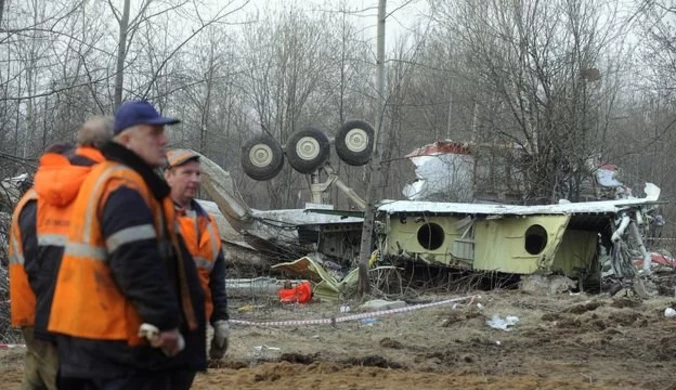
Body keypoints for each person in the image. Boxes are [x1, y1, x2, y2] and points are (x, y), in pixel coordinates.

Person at [47, 100, 207, 389]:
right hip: (116, 347)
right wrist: (166, 323)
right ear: (127, 139)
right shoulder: (124, 187)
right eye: (154, 133)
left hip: (96, 341)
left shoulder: (113, 179)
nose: (164, 140)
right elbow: (136, 263)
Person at [8, 117, 113, 390]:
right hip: (51, 317)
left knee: (36, 376)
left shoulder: (34, 198)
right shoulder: (49, 202)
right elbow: (47, 266)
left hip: (35, 311)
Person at [164, 149, 229, 373]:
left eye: (197, 174)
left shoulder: (208, 222)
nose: (194, 180)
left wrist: (220, 321)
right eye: (186, 173)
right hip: (160, 327)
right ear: (168, 176)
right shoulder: (151, 217)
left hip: (195, 325)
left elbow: (216, 278)